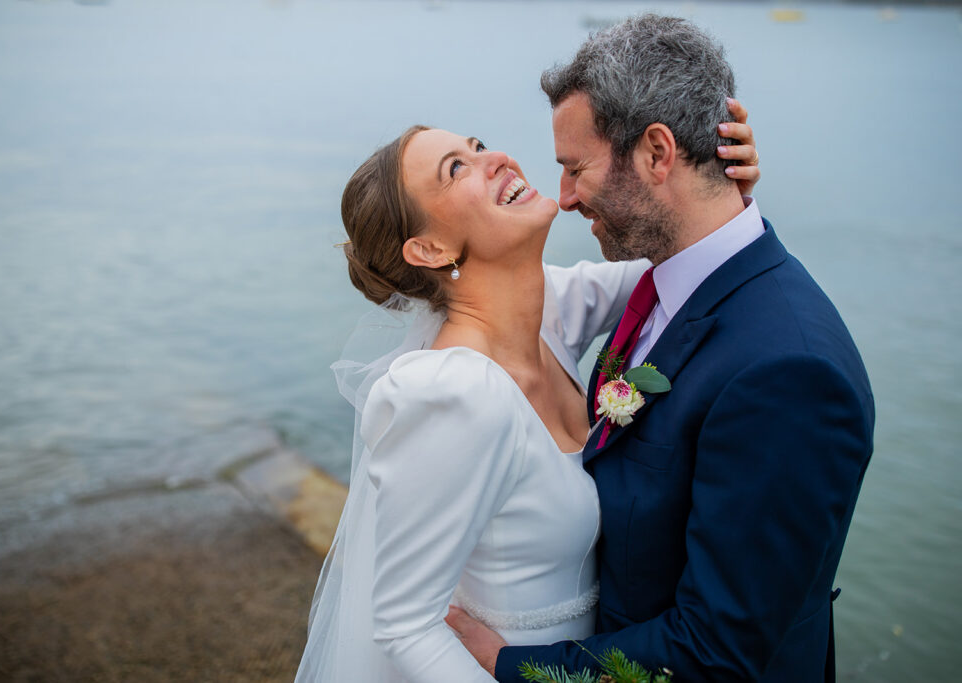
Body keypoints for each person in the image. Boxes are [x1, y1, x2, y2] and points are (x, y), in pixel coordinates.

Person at [445, 14, 875, 683]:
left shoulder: (790, 371)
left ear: (656, 153)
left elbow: (714, 654)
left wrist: (512, 664)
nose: (562, 199)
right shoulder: (660, 284)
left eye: (575, 168)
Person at [293, 103, 760, 678]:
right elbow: (403, 628)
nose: (495, 159)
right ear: (431, 250)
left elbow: (687, 258)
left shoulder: (550, 310)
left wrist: (720, 187)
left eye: (478, 143)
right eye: (455, 169)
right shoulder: (450, 393)